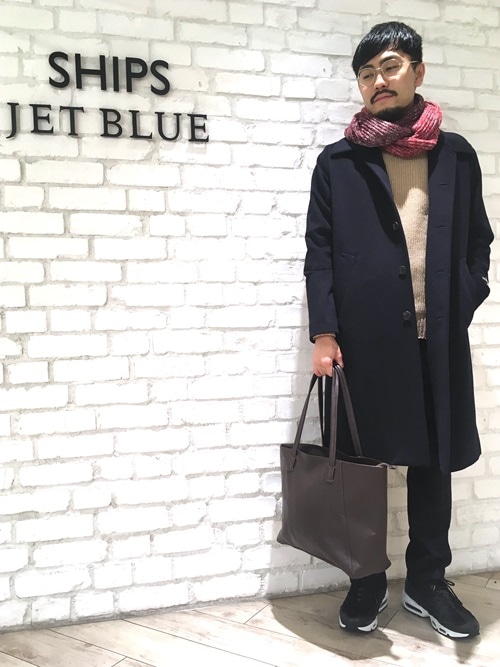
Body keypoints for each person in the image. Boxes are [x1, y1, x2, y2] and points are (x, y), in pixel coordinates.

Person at [304, 21, 493, 640]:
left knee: (434, 460)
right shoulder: (338, 162)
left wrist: (464, 297)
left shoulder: (456, 155)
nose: (377, 81)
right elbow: (319, 252)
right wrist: (325, 333)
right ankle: (364, 580)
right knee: (361, 462)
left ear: (417, 71)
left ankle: (427, 582)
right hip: (362, 341)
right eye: (366, 74)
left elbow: (479, 240)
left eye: (389, 66)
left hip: (436, 338)